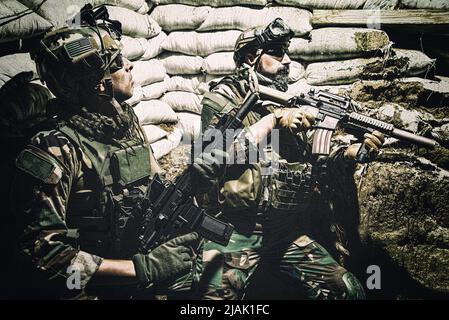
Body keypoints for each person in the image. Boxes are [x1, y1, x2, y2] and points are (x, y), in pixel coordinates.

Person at [194, 18, 385, 300]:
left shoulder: (285, 102)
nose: (287, 60)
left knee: (349, 288)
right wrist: (273, 121)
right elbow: (212, 157)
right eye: (277, 53)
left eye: (287, 51)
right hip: (237, 230)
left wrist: (350, 154)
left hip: (285, 232)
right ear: (251, 57)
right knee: (212, 299)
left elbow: (313, 162)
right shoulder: (221, 101)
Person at [8, 19, 198, 299]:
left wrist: (194, 182)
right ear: (98, 83)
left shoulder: (125, 120)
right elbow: (42, 253)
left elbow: (156, 184)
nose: (130, 66)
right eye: (118, 63)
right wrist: (140, 269)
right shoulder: (53, 147)